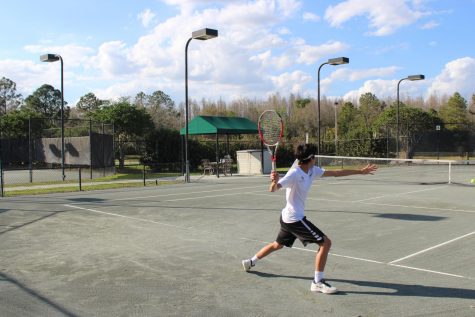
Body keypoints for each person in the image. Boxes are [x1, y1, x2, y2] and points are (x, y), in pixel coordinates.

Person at [241, 143, 377, 294]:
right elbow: (273, 189)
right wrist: (274, 180)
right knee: (325, 243)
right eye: (315, 157)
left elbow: (336, 173)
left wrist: (360, 171)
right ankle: (317, 282)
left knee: (277, 245)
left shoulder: (312, 170)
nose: (316, 159)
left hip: (287, 217)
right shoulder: (294, 174)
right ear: (311, 158)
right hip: (294, 219)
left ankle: (250, 262)